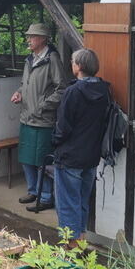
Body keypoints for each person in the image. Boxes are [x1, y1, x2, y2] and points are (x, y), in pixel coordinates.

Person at [51, 48, 111, 247]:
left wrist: (55, 141)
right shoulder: (104, 90)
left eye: (73, 61)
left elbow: (63, 127)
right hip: (91, 155)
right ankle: (81, 241)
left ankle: (71, 248)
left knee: (68, 203)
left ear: (79, 66)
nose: (71, 64)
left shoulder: (73, 91)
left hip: (70, 156)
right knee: (82, 201)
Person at [11, 23, 65, 212]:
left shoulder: (52, 60)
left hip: (43, 120)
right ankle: (33, 191)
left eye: (32, 37)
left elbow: (62, 89)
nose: (28, 40)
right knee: (26, 158)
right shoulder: (30, 60)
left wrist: (42, 106)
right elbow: (25, 84)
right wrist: (19, 92)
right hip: (26, 118)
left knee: (42, 160)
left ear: (42, 39)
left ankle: (46, 196)